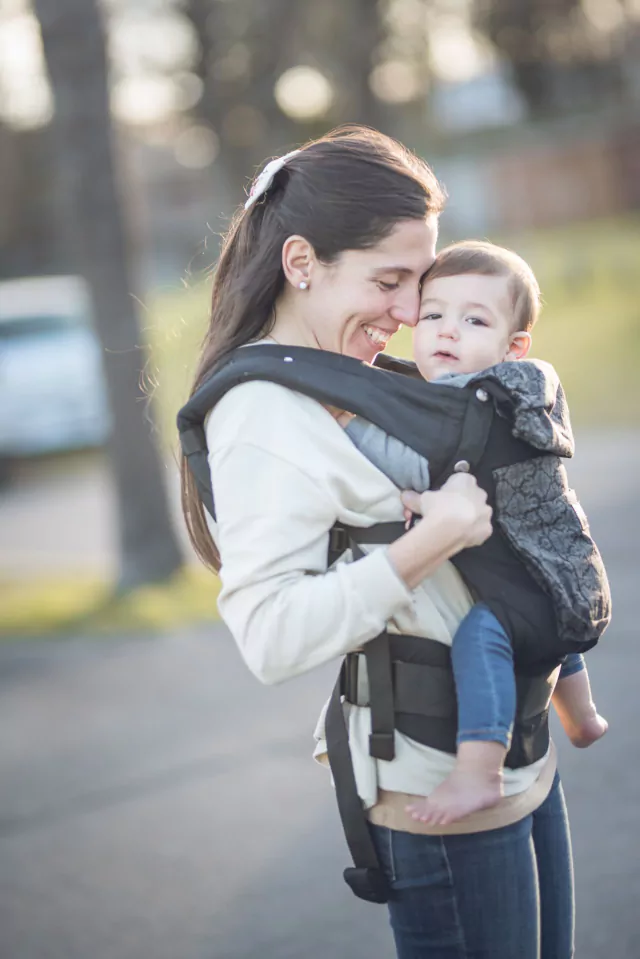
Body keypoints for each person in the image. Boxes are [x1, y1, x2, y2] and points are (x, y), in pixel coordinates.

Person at [180, 127, 576, 958]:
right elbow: (271, 634)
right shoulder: (261, 412)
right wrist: (432, 540)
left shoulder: (347, 371)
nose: (408, 313)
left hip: (514, 758)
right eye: (390, 281)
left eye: (418, 283)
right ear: (301, 263)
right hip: (437, 788)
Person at [337, 240, 609, 827]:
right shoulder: (532, 392)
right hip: (570, 575)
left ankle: (478, 770)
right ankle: (582, 715)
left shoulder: (462, 406)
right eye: (432, 314)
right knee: (550, 632)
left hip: (518, 597)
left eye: (473, 320)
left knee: (479, 640)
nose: (447, 332)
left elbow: (400, 456)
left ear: (514, 346)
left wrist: (341, 427)